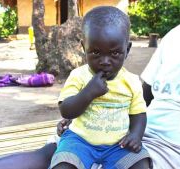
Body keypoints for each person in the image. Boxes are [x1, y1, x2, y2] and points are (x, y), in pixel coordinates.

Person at [0, 0, 180, 168]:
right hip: (122, 132)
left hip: (171, 155)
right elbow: (140, 95)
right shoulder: (178, 35)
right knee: (52, 156)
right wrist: (86, 113)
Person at [50, 6, 150, 169]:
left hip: (119, 145)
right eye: (96, 53)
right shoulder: (79, 76)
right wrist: (88, 93)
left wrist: (135, 135)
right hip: (79, 141)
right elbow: (66, 111)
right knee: (63, 165)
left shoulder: (131, 81)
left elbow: (138, 114)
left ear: (127, 50)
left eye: (115, 53)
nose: (105, 61)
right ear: (84, 47)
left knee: (141, 164)